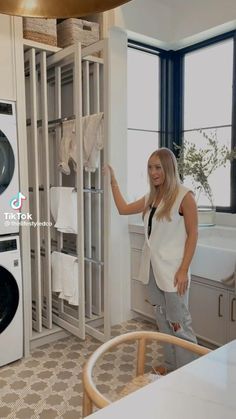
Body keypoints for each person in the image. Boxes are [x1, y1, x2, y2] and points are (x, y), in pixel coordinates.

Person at [104, 147, 198, 373]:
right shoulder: (152, 198)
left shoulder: (185, 197)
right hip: (154, 271)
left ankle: (190, 372)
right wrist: (113, 182)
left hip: (174, 272)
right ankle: (171, 366)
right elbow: (123, 208)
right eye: (150, 167)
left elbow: (193, 234)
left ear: (168, 168)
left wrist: (184, 269)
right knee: (163, 321)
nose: (153, 172)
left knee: (179, 324)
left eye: (158, 167)